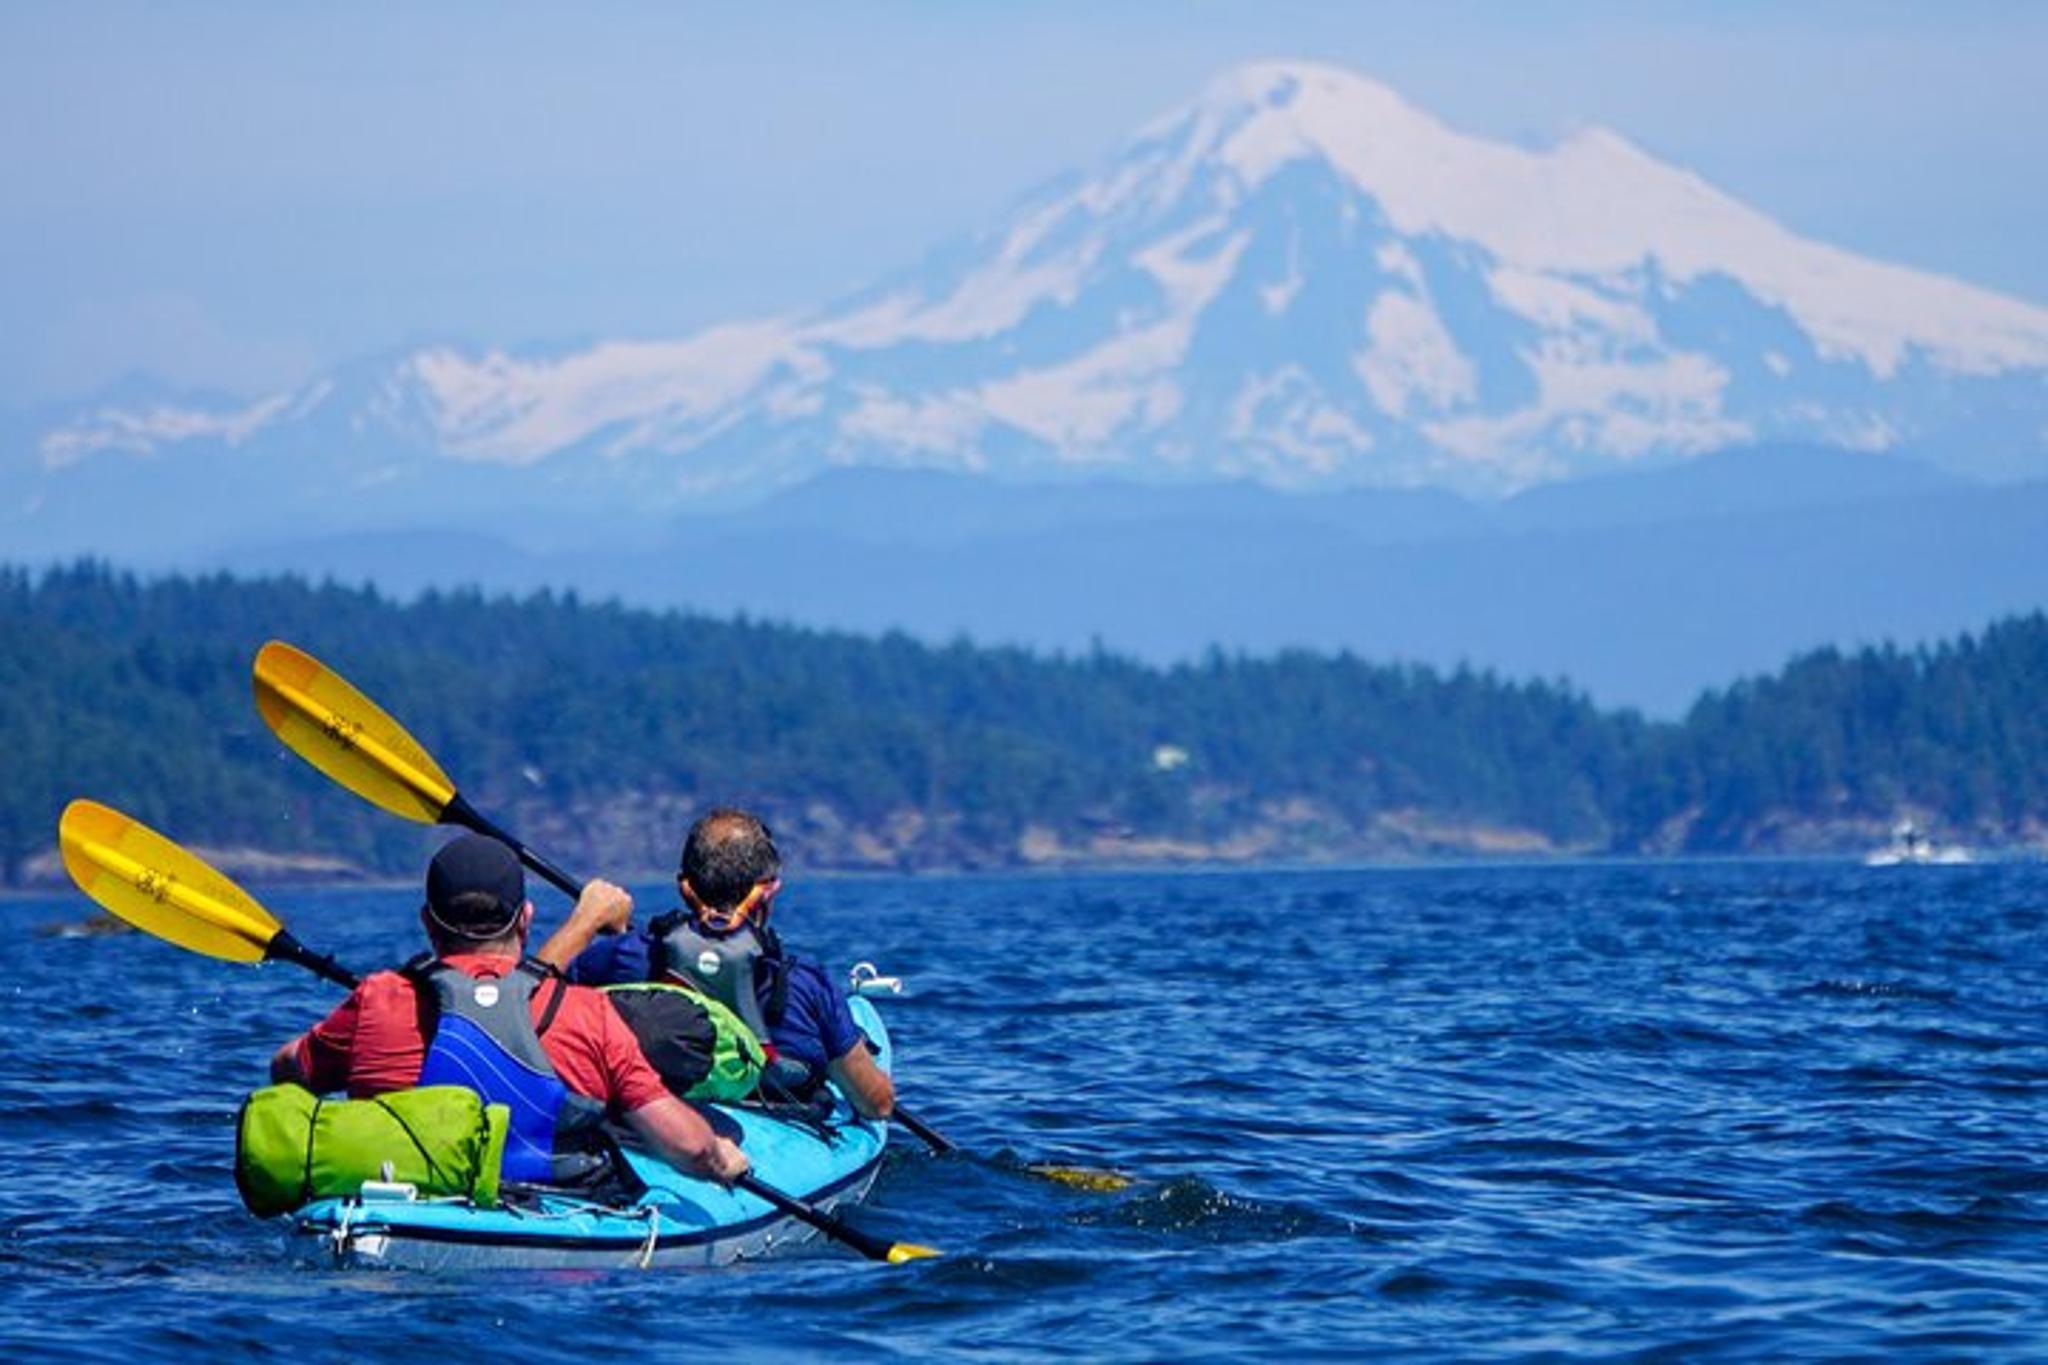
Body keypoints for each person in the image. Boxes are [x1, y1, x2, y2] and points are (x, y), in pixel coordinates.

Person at [270, 831, 749, 1186]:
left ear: (427, 923)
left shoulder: (377, 998)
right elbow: (688, 1147)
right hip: (542, 1220)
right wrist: (720, 1157)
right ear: (525, 920)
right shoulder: (586, 1012)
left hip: (398, 1205)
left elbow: (288, 1067)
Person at [564, 808, 894, 1120]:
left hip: (648, 1122)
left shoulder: (617, 957)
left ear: (684, 887)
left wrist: (586, 920)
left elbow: (528, 995)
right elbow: (876, 1104)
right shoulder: (805, 985)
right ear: (770, 892)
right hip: (767, 1126)